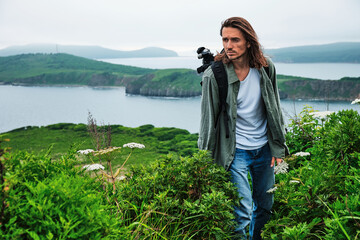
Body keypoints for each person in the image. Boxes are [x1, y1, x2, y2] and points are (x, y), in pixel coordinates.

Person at [198, 17, 288, 239]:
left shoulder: (266, 67)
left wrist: (278, 147)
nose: (229, 45)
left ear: (248, 41)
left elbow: (275, 108)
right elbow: (207, 123)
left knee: (266, 206)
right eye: (225, 39)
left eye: (235, 40)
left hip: (264, 149)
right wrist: (203, 162)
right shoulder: (214, 74)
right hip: (235, 151)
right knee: (242, 212)